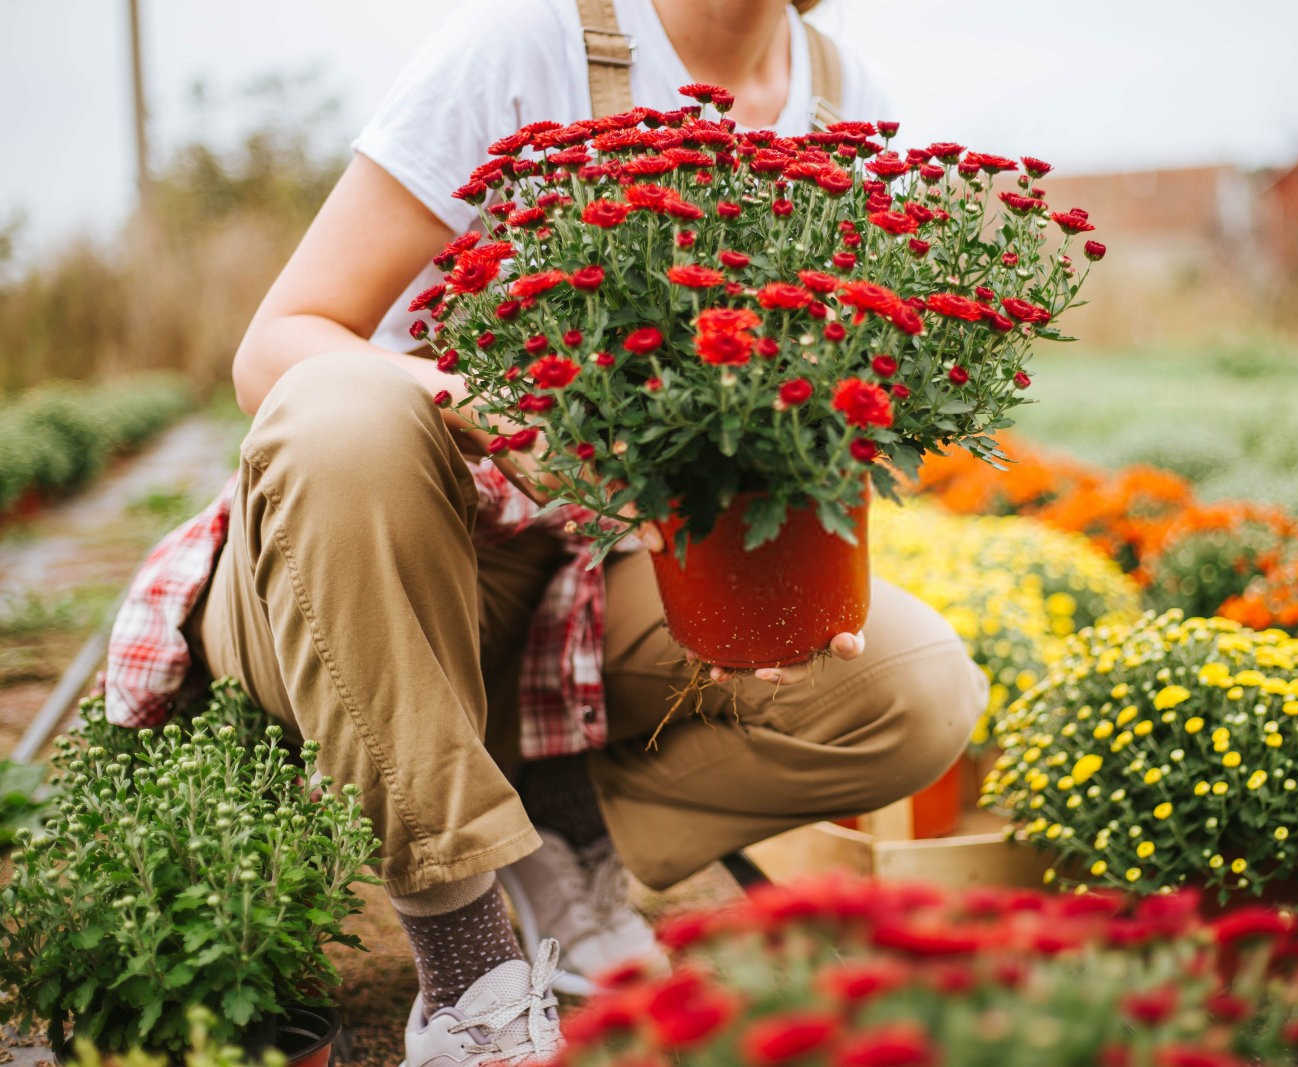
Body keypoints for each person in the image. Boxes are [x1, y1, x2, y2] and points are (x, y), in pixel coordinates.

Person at [104, 0, 984, 1062]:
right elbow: (276, 346)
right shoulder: (529, 45)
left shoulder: (847, 105)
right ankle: (468, 970)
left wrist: (775, 595)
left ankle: (559, 841)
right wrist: (483, 398)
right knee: (342, 412)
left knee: (913, 688)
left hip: (590, 582)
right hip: (361, 554)